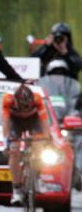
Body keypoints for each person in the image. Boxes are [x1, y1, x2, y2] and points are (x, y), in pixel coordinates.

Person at [1, 84, 51, 205]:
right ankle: (16, 189)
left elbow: (44, 122)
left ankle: (38, 177)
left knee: (39, 147)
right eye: (22, 107)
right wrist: (8, 142)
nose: (25, 110)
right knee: (14, 150)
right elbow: (5, 124)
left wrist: (46, 139)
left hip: (33, 121)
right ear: (15, 101)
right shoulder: (7, 100)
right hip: (15, 122)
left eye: (28, 107)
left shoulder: (37, 99)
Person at [37, 59, 82, 190]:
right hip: (48, 124)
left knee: (79, 140)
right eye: (55, 73)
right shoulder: (42, 91)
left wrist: (74, 116)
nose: (58, 76)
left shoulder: (73, 90)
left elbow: (76, 107)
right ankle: (36, 175)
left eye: (61, 73)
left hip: (67, 124)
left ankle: (79, 171)